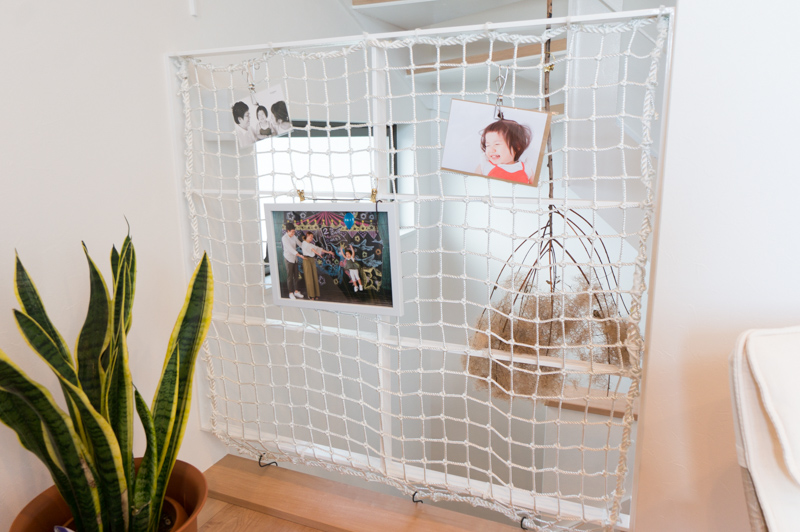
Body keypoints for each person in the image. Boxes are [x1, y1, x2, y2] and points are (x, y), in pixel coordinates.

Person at [474, 119, 533, 184]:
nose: (491, 150)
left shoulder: (526, 168)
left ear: (517, 146)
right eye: (487, 145)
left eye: (497, 144)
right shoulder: (486, 166)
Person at [300, 232, 334, 300]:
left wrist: (328, 252)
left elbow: (319, 249)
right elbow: (312, 249)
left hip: (312, 260)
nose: (311, 238)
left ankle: (316, 294)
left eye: (312, 237)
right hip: (306, 259)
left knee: (314, 276)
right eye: (310, 236)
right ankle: (311, 295)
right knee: (309, 277)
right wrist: (318, 254)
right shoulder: (304, 243)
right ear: (307, 235)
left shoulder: (311, 244)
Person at [280, 222, 304, 300]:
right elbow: (290, 249)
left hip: (295, 258)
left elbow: (300, 244)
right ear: (288, 231)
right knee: (290, 276)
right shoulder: (284, 238)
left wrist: (306, 247)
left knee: (296, 276)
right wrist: (299, 255)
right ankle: (290, 293)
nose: (293, 233)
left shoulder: (293, 236)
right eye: (292, 232)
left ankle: (296, 291)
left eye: (294, 232)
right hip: (288, 258)